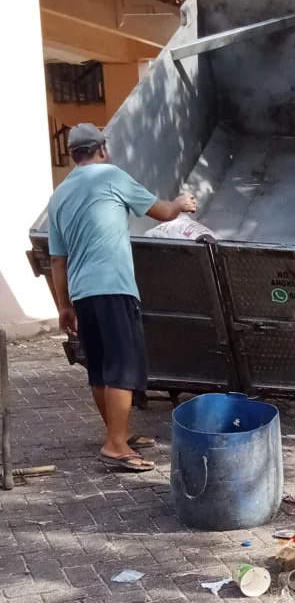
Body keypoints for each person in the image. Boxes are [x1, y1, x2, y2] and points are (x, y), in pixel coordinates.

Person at [48, 123, 197, 472]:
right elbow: (163, 212)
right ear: (102, 149)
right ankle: (115, 444)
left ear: (72, 155)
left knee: (100, 368)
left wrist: (64, 306)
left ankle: (119, 434)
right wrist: (181, 202)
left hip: (83, 292)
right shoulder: (111, 176)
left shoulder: (59, 195)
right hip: (113, 287)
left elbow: (57, 260)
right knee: (123, 366)